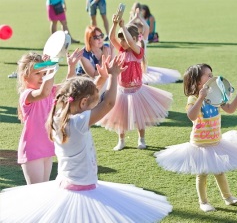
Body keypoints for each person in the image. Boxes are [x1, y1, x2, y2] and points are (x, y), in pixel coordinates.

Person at [0, 56, 173, 222]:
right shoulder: (76, 121)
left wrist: (101, 76)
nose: (93, 106)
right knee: (38, 202)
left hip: (65, 175)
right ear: (82, 103)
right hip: (66, 178)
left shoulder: (59, 116)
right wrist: (111, 76)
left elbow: (75, 91)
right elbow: (107, 103)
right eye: (91, 104)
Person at [154, 64, 237, 212]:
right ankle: (203, 202)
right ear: (197, 81)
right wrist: (201, 97)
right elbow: (192, 116)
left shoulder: (216, 94)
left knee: (219, 170)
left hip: (216, 141)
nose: (212, 77)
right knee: (202, 173)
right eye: (208, 75)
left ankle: (228, 197)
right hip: (200, 144)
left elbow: (230, 109)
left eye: (212, 74)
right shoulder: (193, 97)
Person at [99, 14, 173, 151]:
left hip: (137, 90)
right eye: (121, 41)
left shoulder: (138, 51)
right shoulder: (121, 50)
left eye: (124, 40)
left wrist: (122, 26)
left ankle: (141, 139)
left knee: (140, 118)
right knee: (120, 117)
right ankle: (121, 140)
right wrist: (115, 24)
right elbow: (111, 38)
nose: (121, 43)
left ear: (133, 39)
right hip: (122, 89)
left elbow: (131, 43)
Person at [15, 49, 83, 185]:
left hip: (47, 147)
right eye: (37, 73)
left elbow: (68, 87)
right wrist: (51, 68)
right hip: (32, 150)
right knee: (36, 194)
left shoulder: (49, 91)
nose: (42, 77)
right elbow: (44, 93)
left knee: (44, 191)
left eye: (44, 73)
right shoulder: (27, 95)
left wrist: (72, 66)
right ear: (25, 77)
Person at [129, 2, 181, 85]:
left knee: (143, 71)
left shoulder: (143, 38)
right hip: (133, 62)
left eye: (140, 31)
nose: (139, 33)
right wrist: (135, 17)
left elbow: (147, 27)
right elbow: (127, 27)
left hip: (142, 61)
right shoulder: (131, 39)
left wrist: (139, 18)